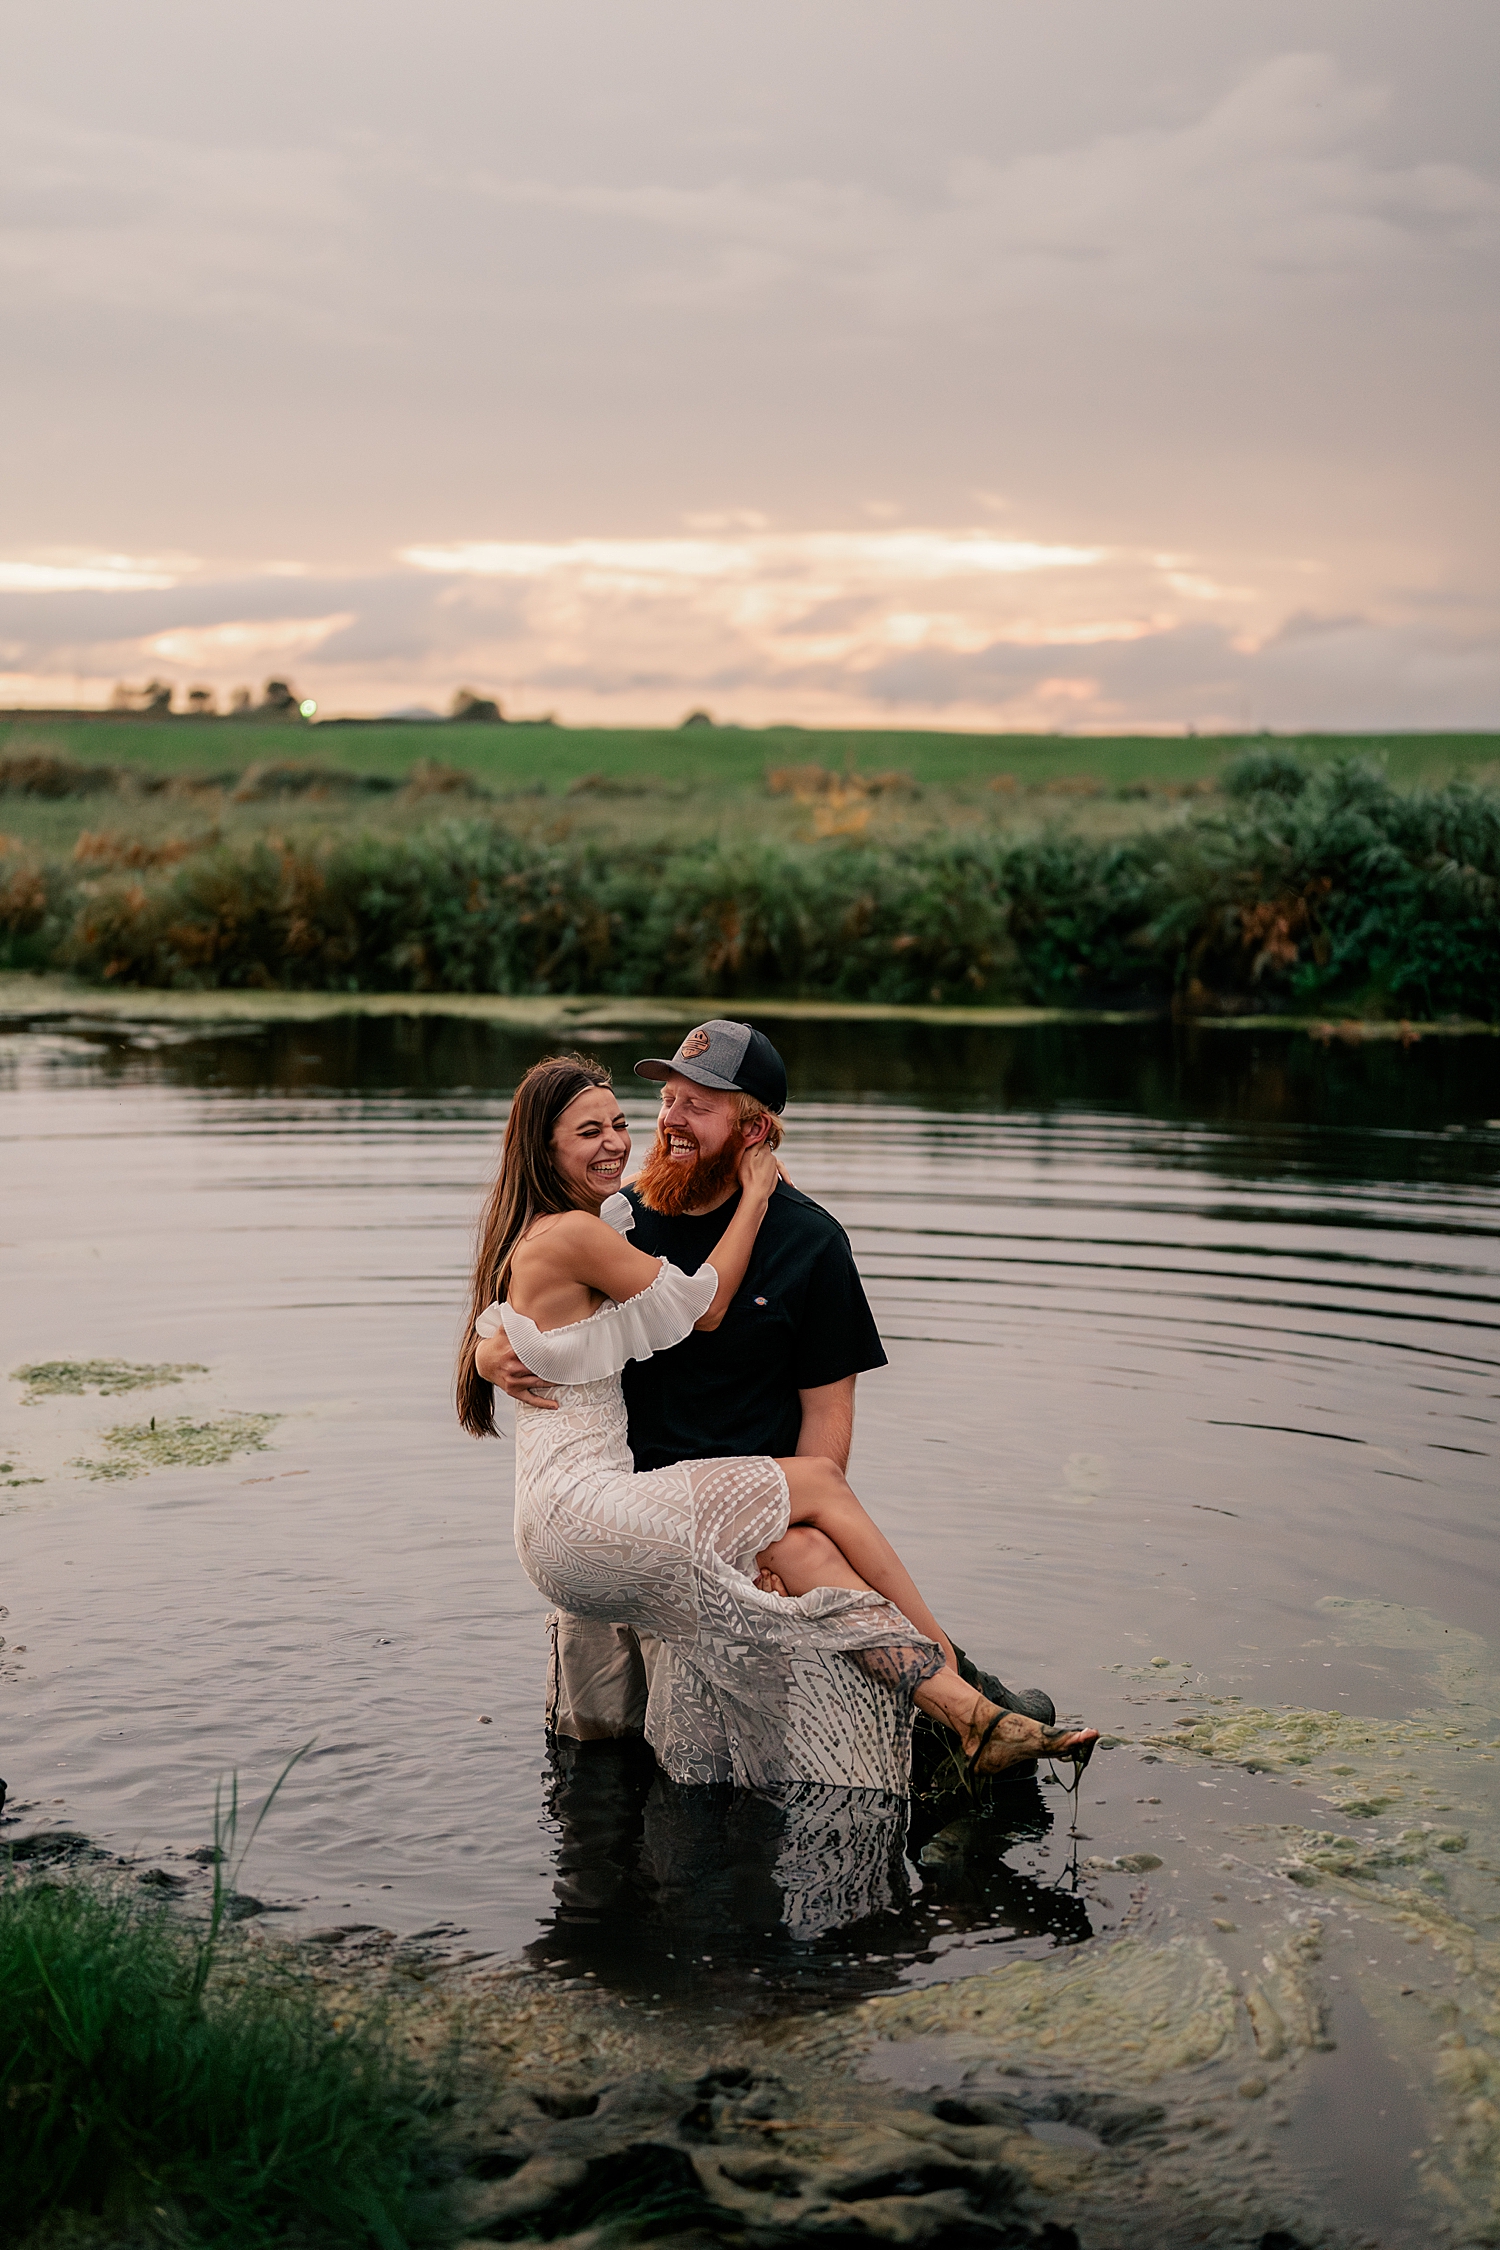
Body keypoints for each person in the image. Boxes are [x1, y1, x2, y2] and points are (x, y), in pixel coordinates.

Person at [459, 1036, 1096, 1791]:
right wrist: (487, 1352)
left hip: (727, 1535)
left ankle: (964, 1703)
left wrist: (778, 1531)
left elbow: (827, 1416)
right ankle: (971, 1704)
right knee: (593, 1760)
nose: (668, 1121)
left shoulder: (810, 1242)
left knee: (712, 1792)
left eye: (697, 1104)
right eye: (666, 1098)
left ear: (754, 1130)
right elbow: (543, 1292)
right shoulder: (619, 1213)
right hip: (626, 1524)